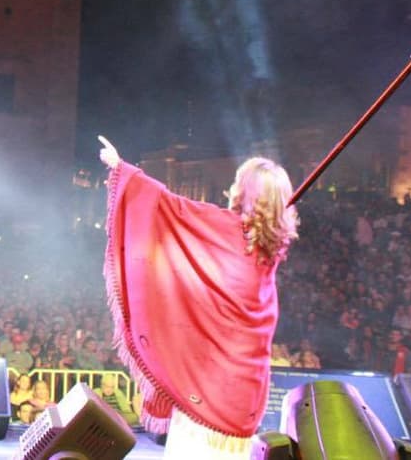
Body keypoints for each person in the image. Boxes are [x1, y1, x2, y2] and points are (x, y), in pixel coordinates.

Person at [98, 136, 299, 459]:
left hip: (206, 392)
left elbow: (167, 207)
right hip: (244, 397)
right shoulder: (272, 249)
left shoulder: (222, 228)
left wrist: (122, 169)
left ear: (242, 191)